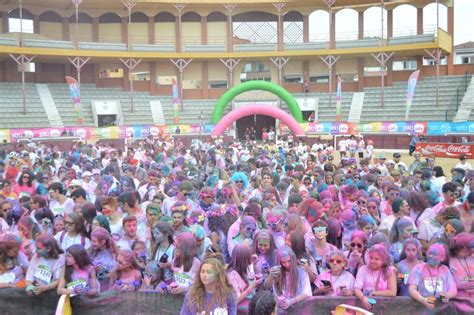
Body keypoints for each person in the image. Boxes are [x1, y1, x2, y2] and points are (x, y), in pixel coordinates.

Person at [408, 244, 457, 310]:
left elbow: (453, 289)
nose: (431, 256)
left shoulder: (445, 270)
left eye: (435, 254)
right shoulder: (418, 268)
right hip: (421, 308)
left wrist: (448, 295)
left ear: (442, 258)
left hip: (442, 309)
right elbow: (412, 289)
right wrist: (423, 300)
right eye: (429, 253)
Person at [264, 246, 311, 311]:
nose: (287, 264)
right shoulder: (277, 273)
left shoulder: (301, 273)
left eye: (289, 261)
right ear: (279, 262)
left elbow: (307, 293)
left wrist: (291, 301)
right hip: (280, 310)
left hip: (299, 309)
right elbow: (266, 287)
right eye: (283, 262)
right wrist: (271, 276)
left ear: (293, 259)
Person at [353, 244, 397, 310]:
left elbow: (392, 292)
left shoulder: (389, 271)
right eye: (371, 257)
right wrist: (363, 298)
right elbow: (356, 288)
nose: (372, 261)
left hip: (385, 308)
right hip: (367, 307)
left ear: (383, 260)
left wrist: (376, 293)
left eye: (376, 259)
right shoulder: (363, 269)